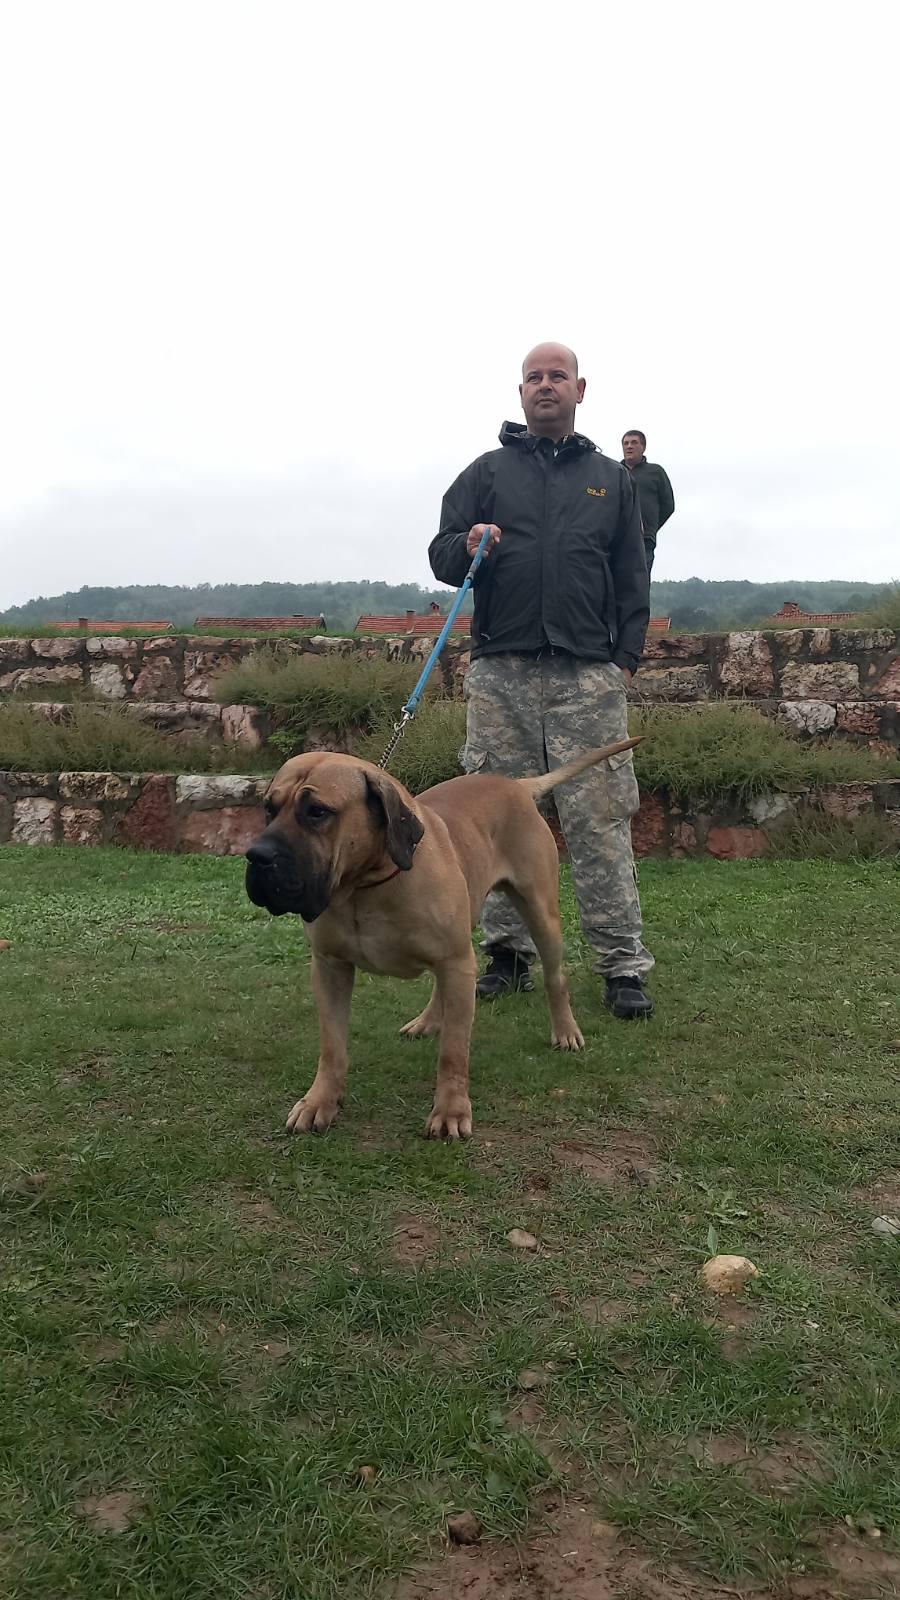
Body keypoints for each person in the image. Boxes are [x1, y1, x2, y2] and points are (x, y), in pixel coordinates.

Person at [428, 343, 654, 1020]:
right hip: (502, 672)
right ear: (520, 391)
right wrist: (466, 545)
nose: (546, 385)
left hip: (588, 674)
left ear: (580, 389)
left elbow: (632, 574)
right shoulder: (485, 473)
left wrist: (624, 658)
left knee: (600, 821)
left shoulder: (612, 480)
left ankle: (621, 965)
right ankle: (507, 956)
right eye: (534, 377)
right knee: (492, 822)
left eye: (558, 376)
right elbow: (442, 552)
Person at [620, 431, 674, 576]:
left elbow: (668, 505)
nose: (629, 446)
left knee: (639, 582)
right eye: (626, 443)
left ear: (643, 447)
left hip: (644, 541)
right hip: (617, 539)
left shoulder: (656, 472)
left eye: (634, 442)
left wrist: (650, 527)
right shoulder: (614, 471)